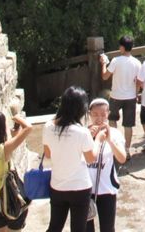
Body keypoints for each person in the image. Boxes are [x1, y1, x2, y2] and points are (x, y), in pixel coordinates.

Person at [42, 86, 108, 232]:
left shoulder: (48, 126)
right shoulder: (82, 132)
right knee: (78, 228)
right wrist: (98, 139)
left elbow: (47, 154)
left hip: (58, 185)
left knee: (54, 226)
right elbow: (91, 158)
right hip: (80, 187)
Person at [86, 97, 127, 232]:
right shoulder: (84, 133)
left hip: (106, 189)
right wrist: (89, 136)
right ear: (89, 114)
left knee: (108, 228)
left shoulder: (115, 134)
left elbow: (122, 158)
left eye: (103, 115)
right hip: (85, 189)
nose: (99, 118)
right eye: (95, 115)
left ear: (108, 114)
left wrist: (109, 140)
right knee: (86, 228)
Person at [99, 35, 142, 149]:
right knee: (128, 125)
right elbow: (138, 82)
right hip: (130, 97)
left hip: (116, 96)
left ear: (122, 47)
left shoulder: (115, 61)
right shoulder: (137, 63)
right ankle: (126, 150)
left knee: (112, 120)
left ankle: (116, 146)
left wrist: (103, 63)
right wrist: (136, 94)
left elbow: (104, 76)